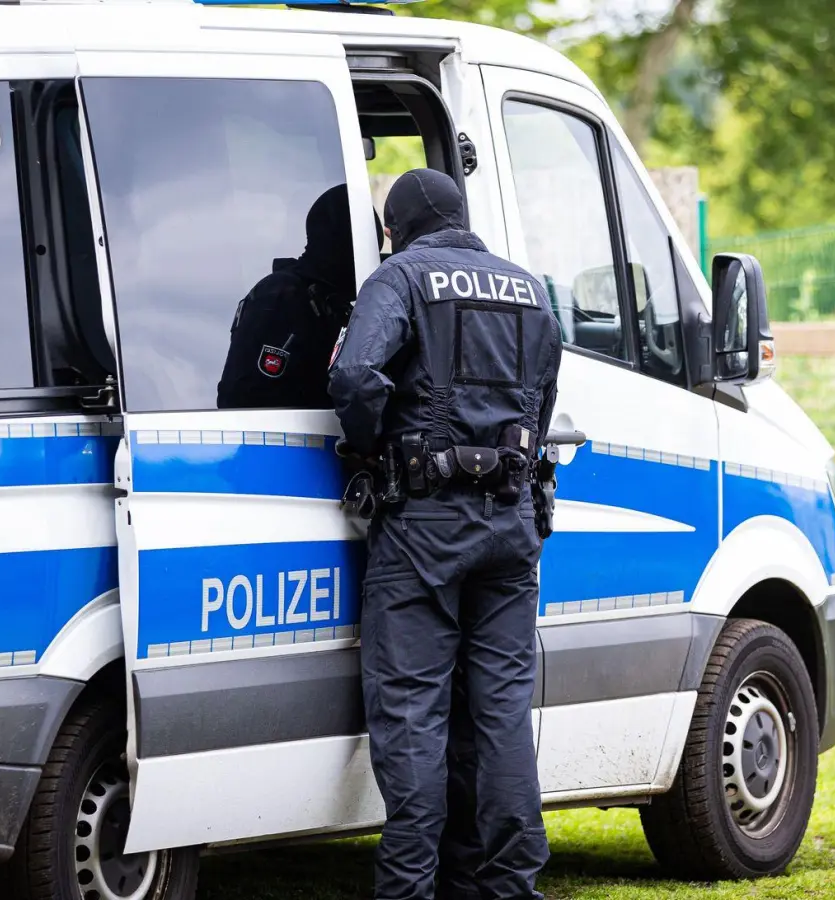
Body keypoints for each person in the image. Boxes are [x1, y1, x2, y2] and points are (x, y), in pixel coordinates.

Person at [329, 168, 563, 900]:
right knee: (501, 716)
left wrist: (369, 449)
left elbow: (355, 377)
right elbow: (547, 394)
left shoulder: (399, 279)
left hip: (425, 526)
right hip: (511, 522)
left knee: (411, 716)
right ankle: (509, 886)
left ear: (396, 228)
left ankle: (408, 890)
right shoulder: (529, 290)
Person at [216, 183, 378, 410]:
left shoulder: (328, 300)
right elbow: (253, 398)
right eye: (364, 248)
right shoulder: (283, 297)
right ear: (342, 244)